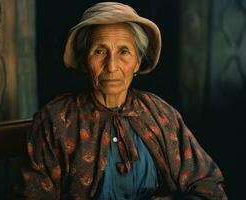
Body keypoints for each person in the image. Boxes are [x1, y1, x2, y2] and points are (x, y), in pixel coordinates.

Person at [16, 2, 227, 200]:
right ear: (84, 60)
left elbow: (208, 183)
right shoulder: (56, 121)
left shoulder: (161, 114)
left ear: (137, 62)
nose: (111, 66)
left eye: (124, 52)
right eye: (99, 51)